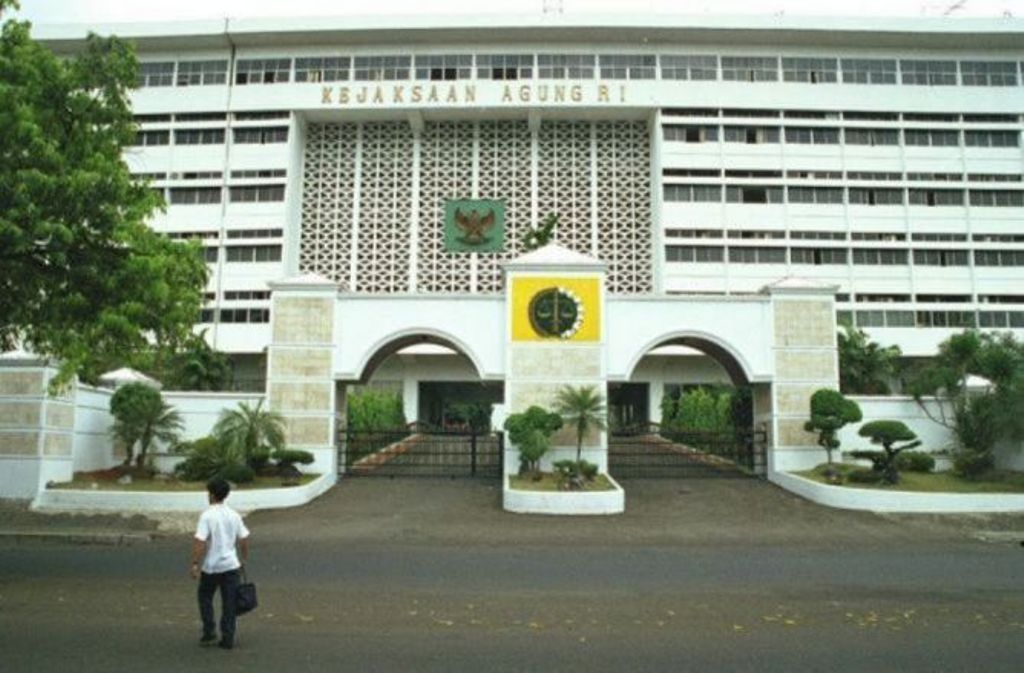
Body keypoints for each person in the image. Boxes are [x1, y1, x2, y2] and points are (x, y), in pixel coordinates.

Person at [190, 477, 250, 650]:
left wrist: (195, 563)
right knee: (229, 602)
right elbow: (244, 539)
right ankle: (228, 638)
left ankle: (209, 632)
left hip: (211, 566)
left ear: (212, 495)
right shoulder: (234, 514)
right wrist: (243, 559)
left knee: (205, 597)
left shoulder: (207, 515)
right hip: (231, 565)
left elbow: (200, 541)